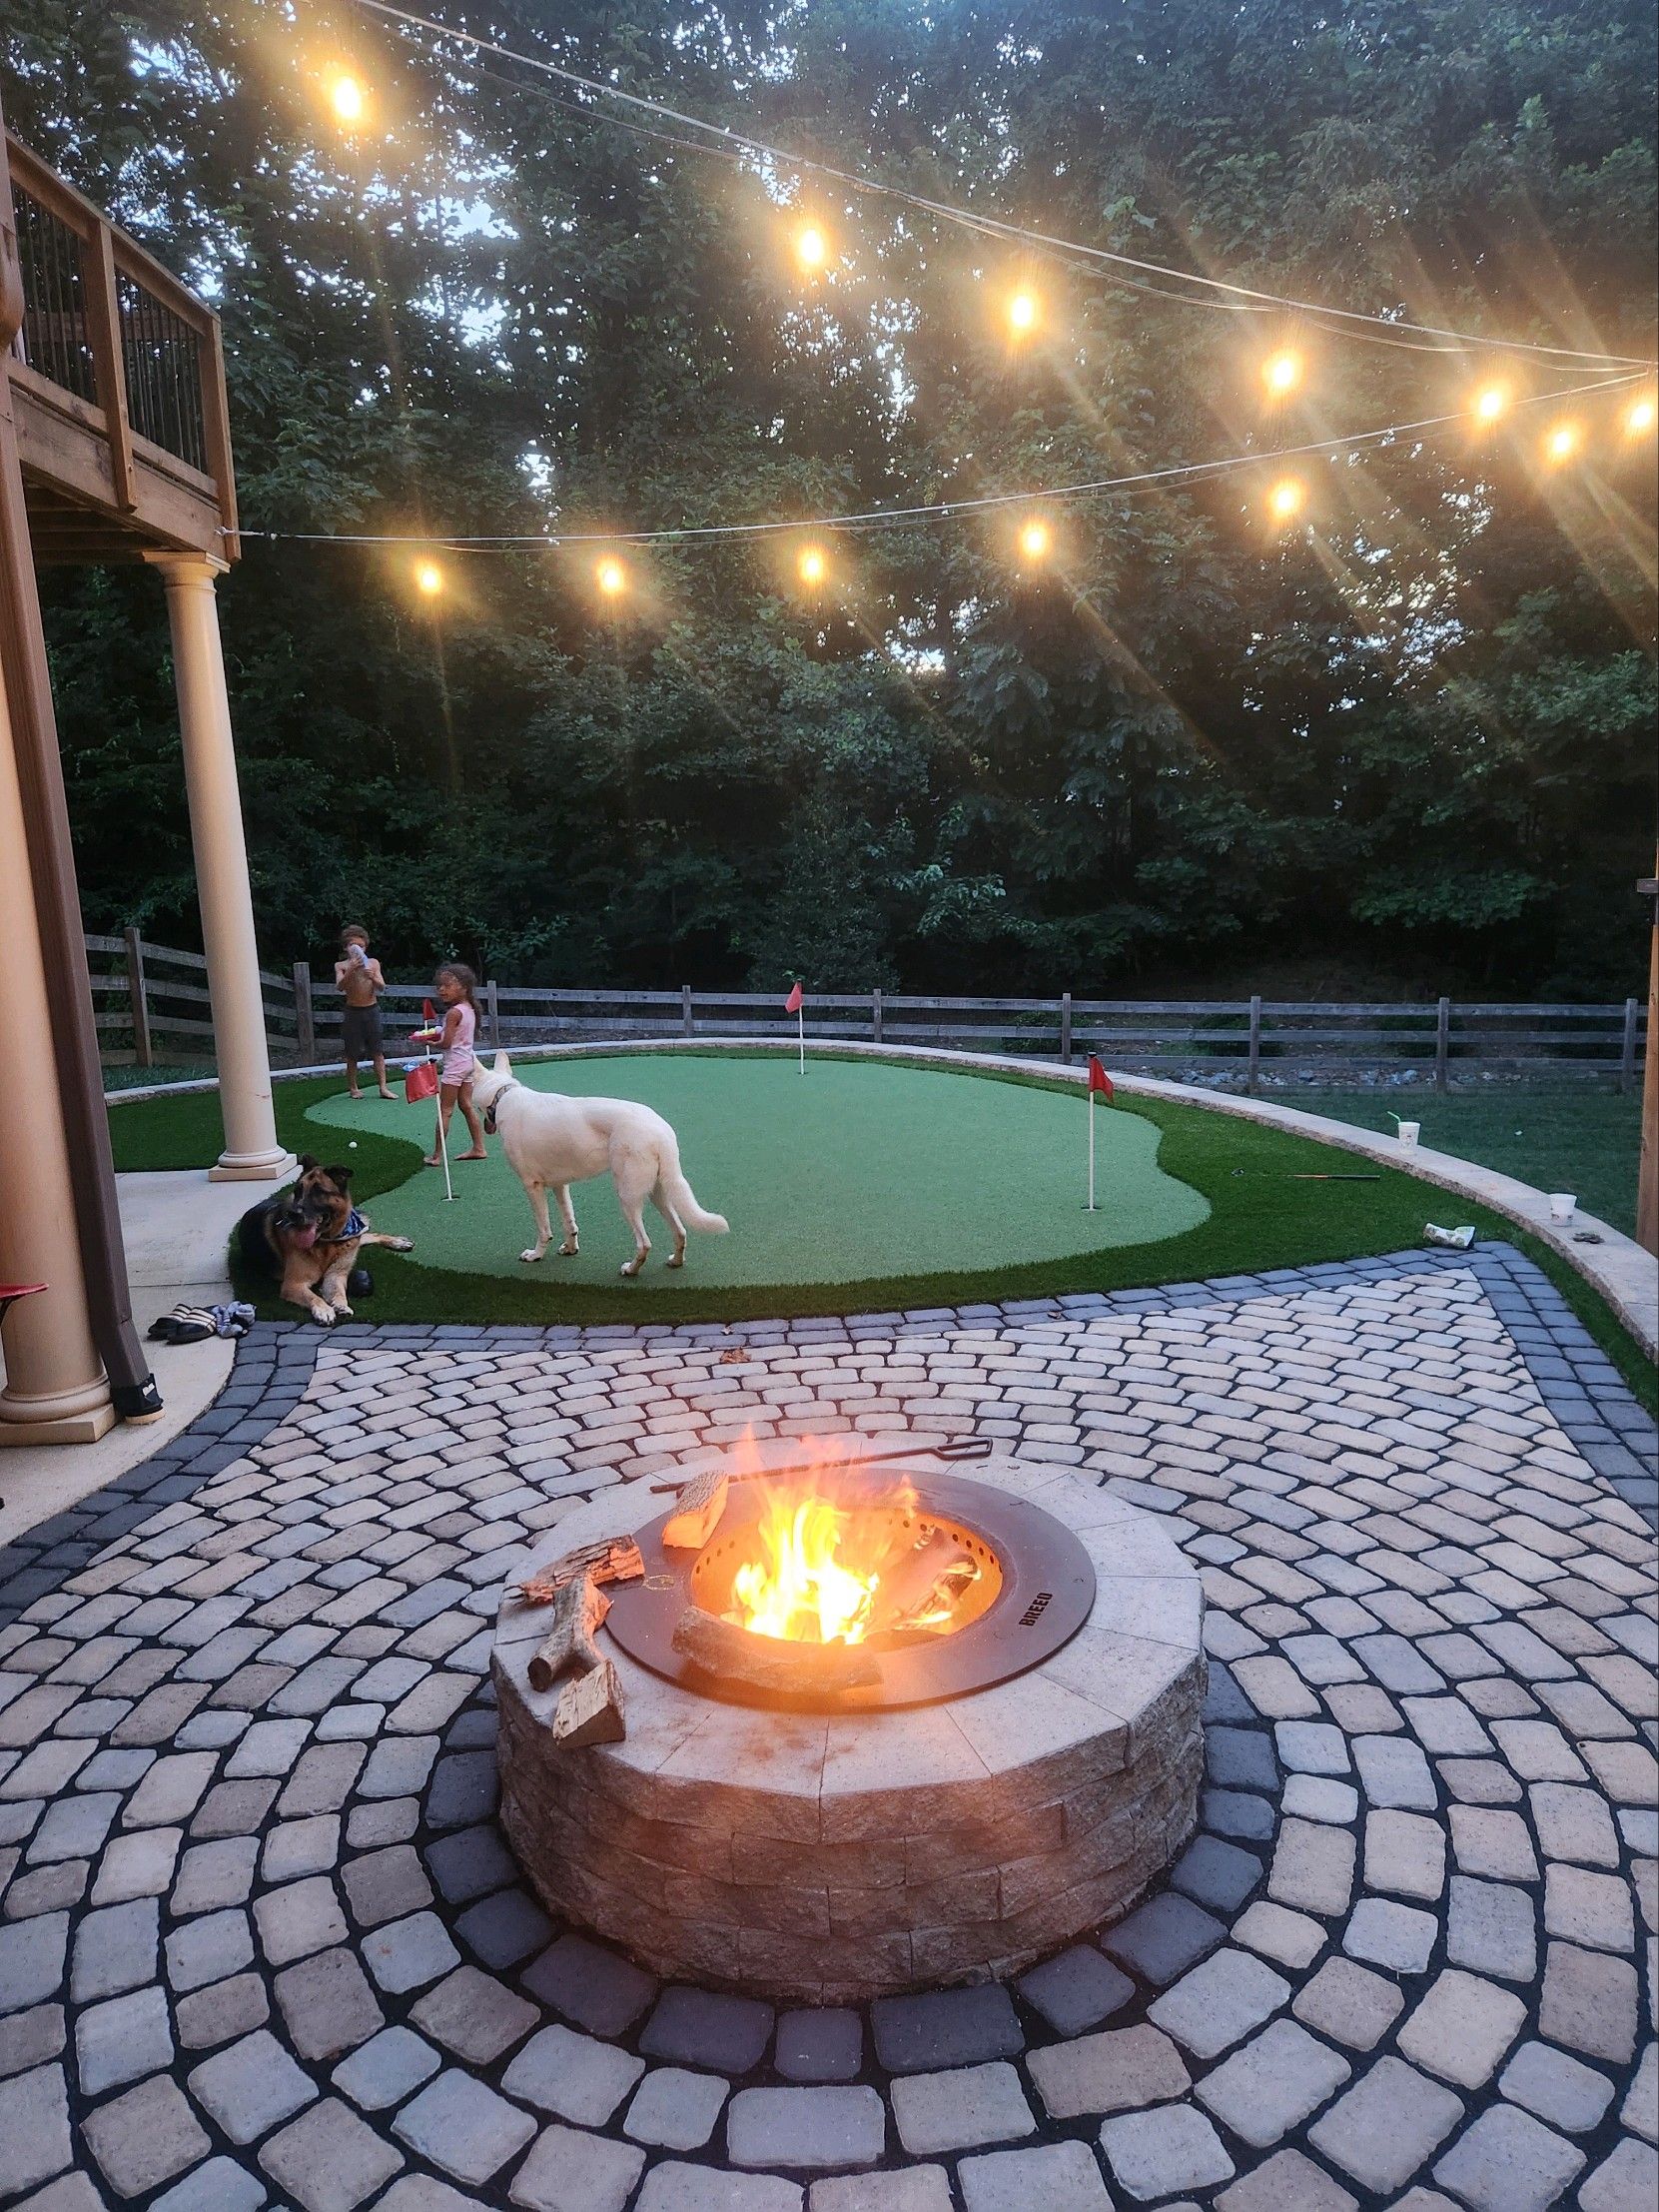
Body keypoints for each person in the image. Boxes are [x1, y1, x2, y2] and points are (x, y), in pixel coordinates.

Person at [426, 962, 487, 1166]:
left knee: (445, 1110)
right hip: (468, 1062)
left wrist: (430, 1042)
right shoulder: (469, 1008)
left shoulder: (454, 1013)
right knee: (466, 1105)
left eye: (447, 985)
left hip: (455, 1066)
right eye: (439, 986)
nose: (441, 990)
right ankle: (479, 1147)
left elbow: (446, 1043)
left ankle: (436, 1155)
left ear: (464, 987)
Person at [335, 926, 394, 1100]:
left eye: (361, 946)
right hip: (352, 1012)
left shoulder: (373, 963)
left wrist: (372, 977)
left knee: (377, 1051)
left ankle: (383, 1087)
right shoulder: (341, 966)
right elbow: (340, 987)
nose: (358, 949)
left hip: (371, 1010)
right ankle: (353, 1088)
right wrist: (351, 970)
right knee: (352, 1054)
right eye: (353, 946)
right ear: (346, 947)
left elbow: (382, 987)